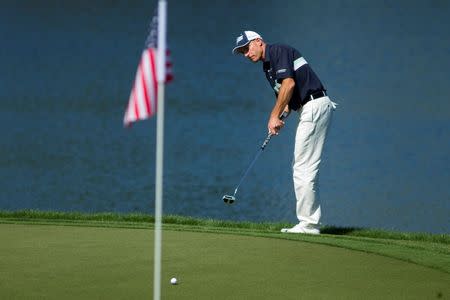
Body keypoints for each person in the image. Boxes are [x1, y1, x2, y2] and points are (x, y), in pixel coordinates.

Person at [232, 31, 337, 235]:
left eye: (246, 48)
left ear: (258, 42)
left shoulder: (278, 50)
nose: (246, 54)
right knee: (303, 166)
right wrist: (280, 117)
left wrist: (273, 115)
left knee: (303, 167)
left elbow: (289, 84)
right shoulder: (268, 67)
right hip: (310, 107)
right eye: (242, 51)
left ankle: (309, 225)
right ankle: (309, 223)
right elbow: (286, 101)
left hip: (314, 105)